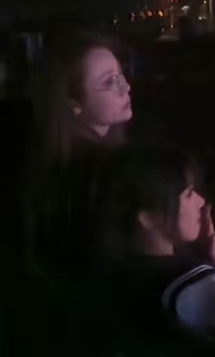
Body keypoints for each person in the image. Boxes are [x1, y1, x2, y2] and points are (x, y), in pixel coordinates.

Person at [25, 31, 134, 276]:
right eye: (109, 82)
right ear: (74, 103)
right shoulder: (97, 173)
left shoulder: (67, 155)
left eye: (120, 74)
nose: (126, 87)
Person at [100, 145, 215, 339]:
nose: (201, 201)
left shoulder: (112, 277)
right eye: (188, 194)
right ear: (148, 218)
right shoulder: (192, 283)